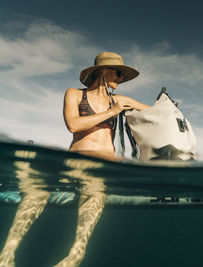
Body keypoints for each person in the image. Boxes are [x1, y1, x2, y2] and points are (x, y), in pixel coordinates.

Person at [0, 52, 150, 267]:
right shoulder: (75, 94)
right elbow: (73, 125)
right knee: (38, 191)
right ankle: (7, 254)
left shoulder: (120, 100)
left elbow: (156, 115)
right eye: (119, 73)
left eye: (123, 76)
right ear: (103, 71)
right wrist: (113, 112)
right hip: (74, 163)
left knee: (94, 195)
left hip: (106, 167)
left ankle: (75, 255)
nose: (121, 79)